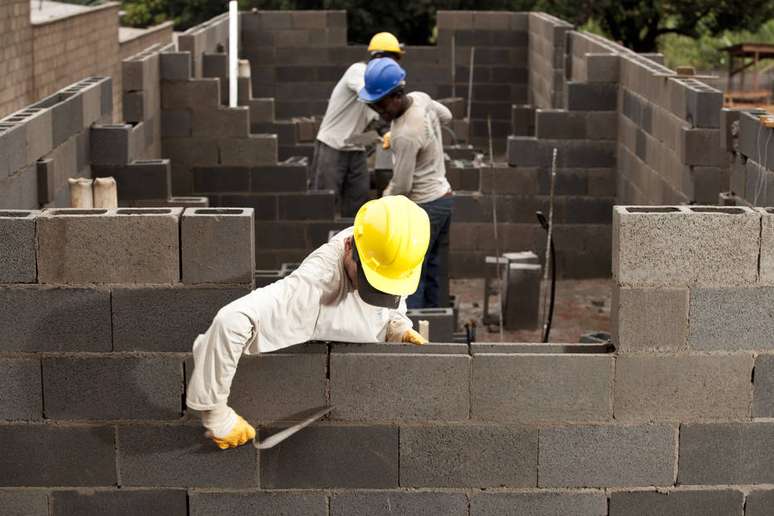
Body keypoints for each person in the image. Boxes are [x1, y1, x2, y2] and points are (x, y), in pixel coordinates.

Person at [186, 195, 430, 449]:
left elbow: (392, 304)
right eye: (369, 283)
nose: (376, 292)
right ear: (348, 246)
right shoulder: (314, 285)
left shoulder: (394, 252)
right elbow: (230, 322)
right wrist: (215, 412)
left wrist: (398, 327)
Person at [358, 58, 454, 309]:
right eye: (374, 105)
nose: (379, 111)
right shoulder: (420, 99)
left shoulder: (405, 135)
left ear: (398, 95)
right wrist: (427, 134)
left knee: (411, 270)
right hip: (444, 198)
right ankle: (436, 324)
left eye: (381, 104)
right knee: (434, 266)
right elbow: (446, 115)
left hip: (424, 207)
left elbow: (401, 186)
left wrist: (379, 207)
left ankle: (417, 327)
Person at [311, 32, 404, 217]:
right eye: (391, 60)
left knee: (358, 203)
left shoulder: (381, 85)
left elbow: (377, 118)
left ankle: (353, 243)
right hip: (332, 146)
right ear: (377, 56)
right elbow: (372, 97)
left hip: (356, 149)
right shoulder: (358, 71)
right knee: (326, 202)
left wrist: (388, 132)